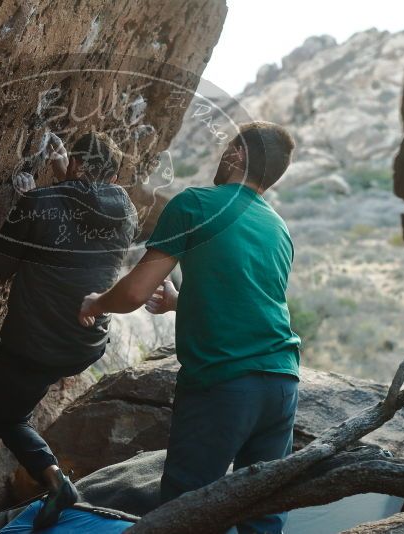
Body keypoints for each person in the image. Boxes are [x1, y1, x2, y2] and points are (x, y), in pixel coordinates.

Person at [78, 121, 301, 534]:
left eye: (227, 148)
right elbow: (251, 302)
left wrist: (97, 302)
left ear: (237, 156)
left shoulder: (196, 203)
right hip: (282, 385)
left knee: (184, 511)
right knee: (262, 516)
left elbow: (133, 293)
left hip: (224, 383)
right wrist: (182, 303)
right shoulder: (278, 229)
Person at [0, 131, 138, 529]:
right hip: (86, 343)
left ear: (79, 164)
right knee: (21, 367)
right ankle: (4, 359)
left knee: (8, 418)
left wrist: (27, 205)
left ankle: (57, 483)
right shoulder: (126, 211)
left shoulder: (38, 201)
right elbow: (81, 213)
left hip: (36, 347)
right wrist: (64, 181)